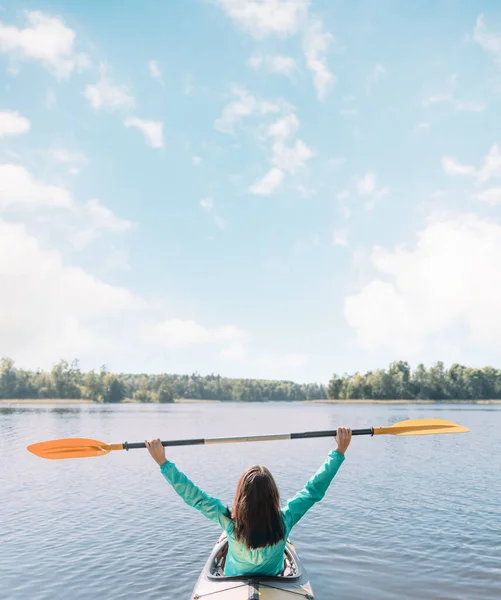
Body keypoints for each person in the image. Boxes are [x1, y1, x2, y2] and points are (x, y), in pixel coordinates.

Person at [146, 427, 352, 577]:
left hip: (232, 580)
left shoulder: (228, 522)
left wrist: (163, 462)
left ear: (241, 496)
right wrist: (338, 452)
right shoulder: (285, 519)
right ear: (273, 496)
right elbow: (313, 490)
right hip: (275, 581)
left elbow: (195, 497)